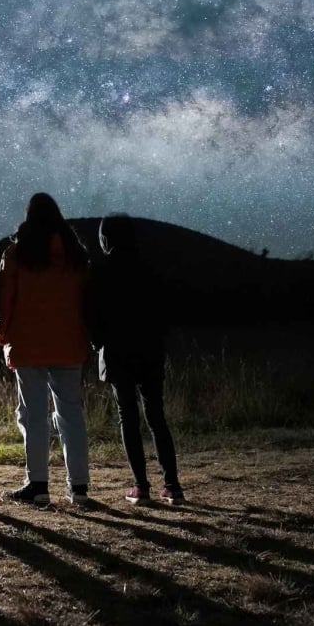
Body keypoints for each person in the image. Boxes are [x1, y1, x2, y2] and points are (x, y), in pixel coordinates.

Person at [0, 192, 92, 505]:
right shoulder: (76, 255)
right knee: (71, 415)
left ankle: (38, 485)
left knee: (33, 415)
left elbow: (5, 299)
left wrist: (2, 334)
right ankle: (79, 487)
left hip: (28, 344)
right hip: (69, 342)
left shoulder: (17, 253)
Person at [89, 213, 185, 505]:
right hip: (150, 350)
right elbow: (166, 311)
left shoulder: (100, 271)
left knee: (127, 417)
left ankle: (141, 487)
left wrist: (97, 342)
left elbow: (92, 316)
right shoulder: (150, 268)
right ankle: (172, 486)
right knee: (156, 416)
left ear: (105, 239)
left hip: (117, 353)